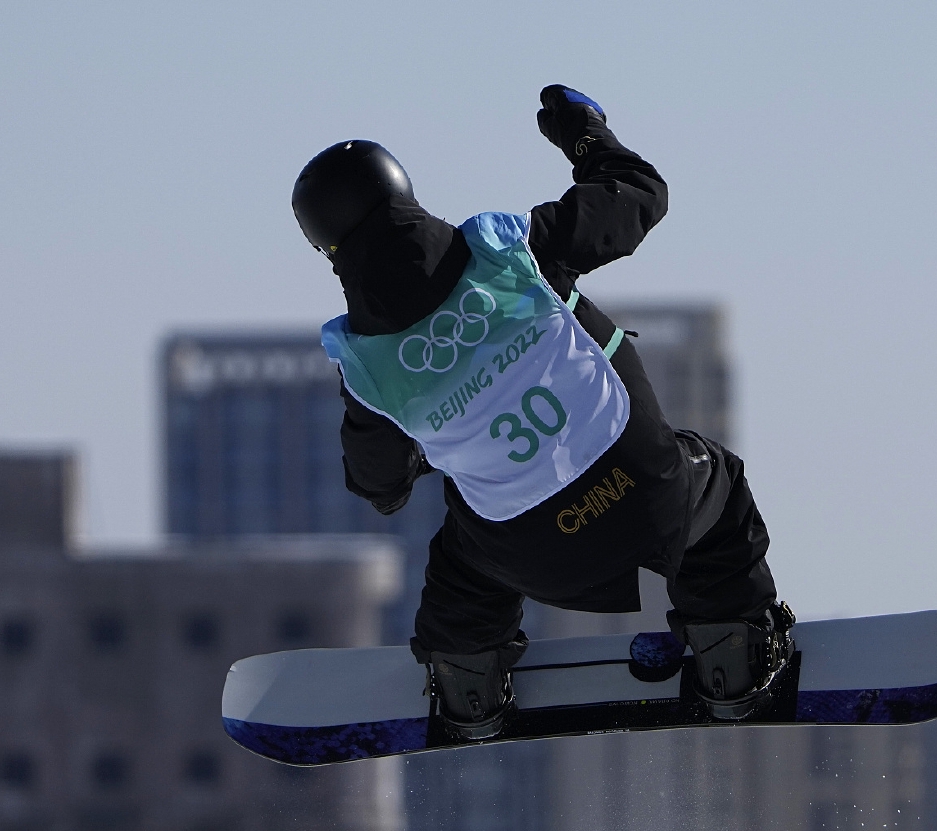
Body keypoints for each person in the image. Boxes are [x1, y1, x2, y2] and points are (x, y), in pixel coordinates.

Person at [295, 85, 791, 739]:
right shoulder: (511, 253)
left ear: (329, 251)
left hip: (528, 556)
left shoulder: (368, 368)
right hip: (647, 493)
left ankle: (468, 686)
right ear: (404, 194)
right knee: (716, 488)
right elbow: (640, 196)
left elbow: (378, 487)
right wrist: (585, 135)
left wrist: (431, 432)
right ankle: (733, 656)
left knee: (460, 560)